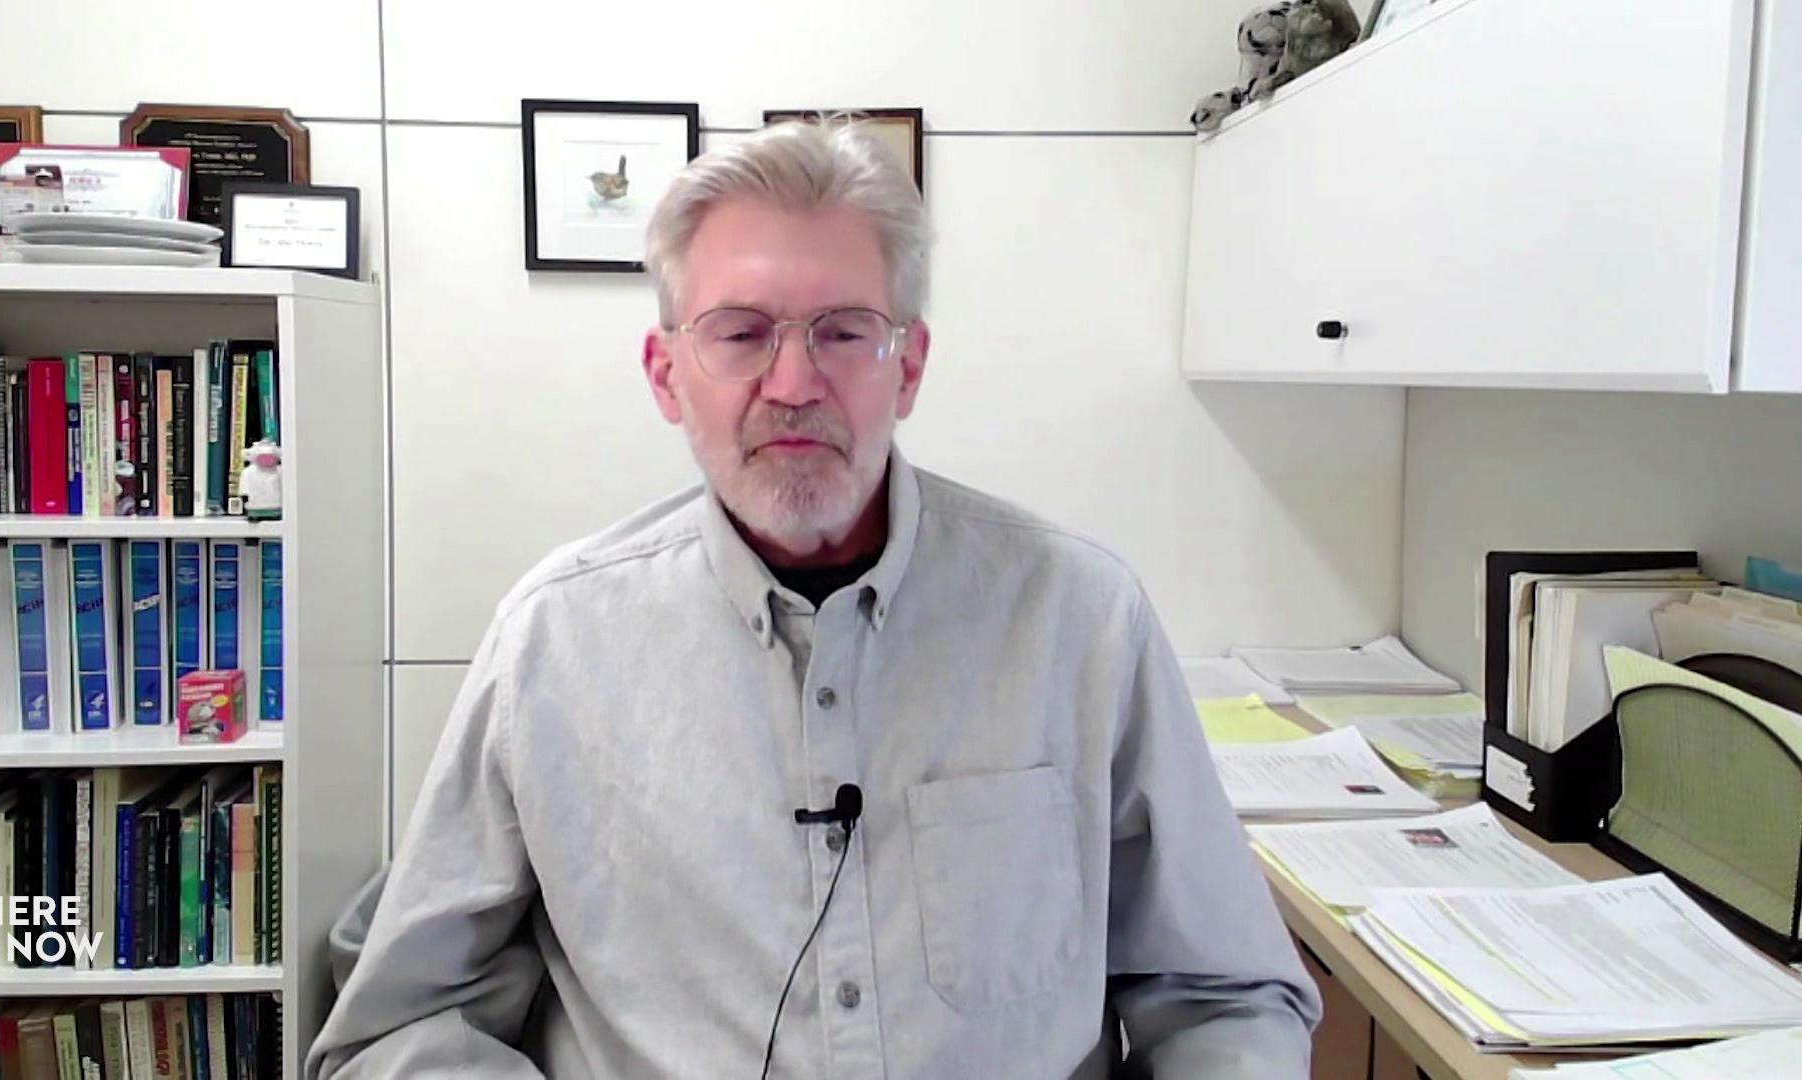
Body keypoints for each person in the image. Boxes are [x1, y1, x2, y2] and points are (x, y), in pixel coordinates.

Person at [306, 119, 1319, 1079]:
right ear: (667, 375)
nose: (792, 384)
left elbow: (1225, 998)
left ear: (908, 366)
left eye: (842, 333)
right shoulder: (555, 643)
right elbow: (402, 1023)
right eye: (740, 334)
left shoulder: (1083, 621)